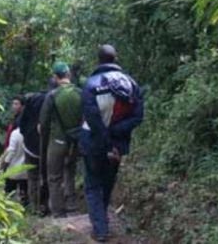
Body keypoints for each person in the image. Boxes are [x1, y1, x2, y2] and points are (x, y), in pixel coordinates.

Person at [80, 45, 144, 242]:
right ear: (115, 59)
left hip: (94, 143)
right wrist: (115, 135)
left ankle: (100, 229)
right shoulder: (131, 84)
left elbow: (92, 119)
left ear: (98, 60)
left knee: (92, 185)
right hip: (117, 145)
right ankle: (102, 221)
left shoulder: (91, 85)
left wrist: (105, 138)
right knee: (107, 182)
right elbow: (138, 117)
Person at [39, 61, 82, 217]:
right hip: (75, 141)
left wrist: (42, 135)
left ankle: (58, 211)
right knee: (70, 170)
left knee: (54, 177)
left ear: (55, 77)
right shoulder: (80, 93)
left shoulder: (52, 95)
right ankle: (72, 205)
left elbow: (43, 123)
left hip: (57, 141)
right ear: (69, 75)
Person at [18, 90, 49, 215]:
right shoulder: (49, 103)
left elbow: (21, 126)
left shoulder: (29, 106)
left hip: (30, 147)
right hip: (47, 147)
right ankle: (45, 205)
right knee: (47, 177)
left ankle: (34, 207)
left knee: (33, 178)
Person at [1, 108, 27, 202]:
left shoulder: (15, 134)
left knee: (9, 194)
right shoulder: (30, 133)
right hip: (26, 170)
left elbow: (11, 151)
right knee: (25, 194)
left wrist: (4, 164)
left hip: (13, 169)